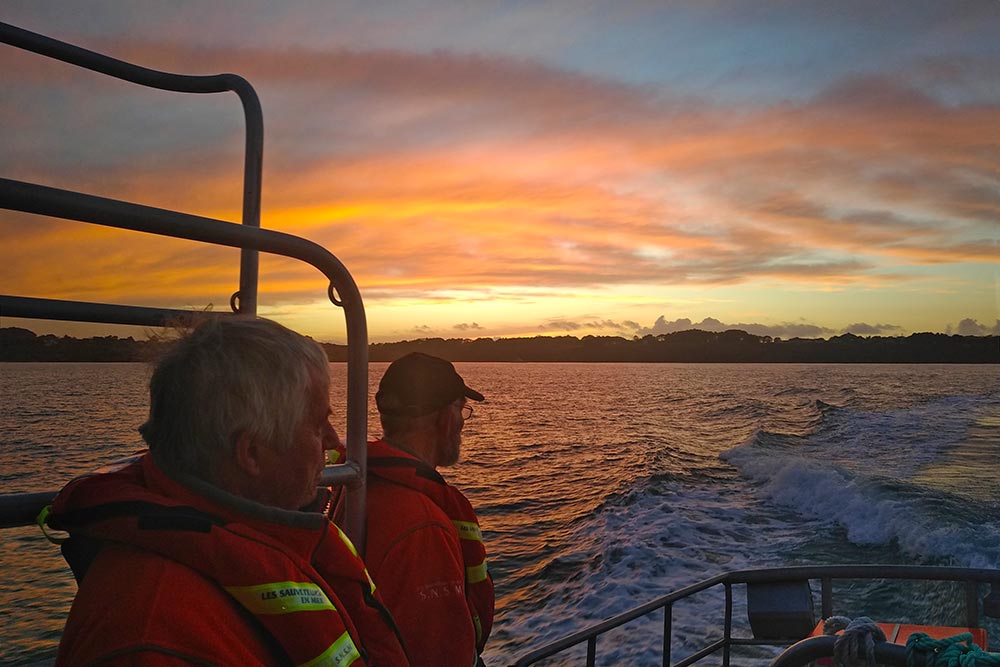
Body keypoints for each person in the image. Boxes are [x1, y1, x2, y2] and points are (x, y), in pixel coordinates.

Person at [45, 317, 409, 666]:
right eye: (317, 424)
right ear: (251, 452)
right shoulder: (154, 641)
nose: (332, 440)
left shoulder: (260, 541)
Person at [362, 352, 495, 667]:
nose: (463, 422)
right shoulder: (422, 530)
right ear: (447, 418)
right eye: (462, 409)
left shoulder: (355, 488)